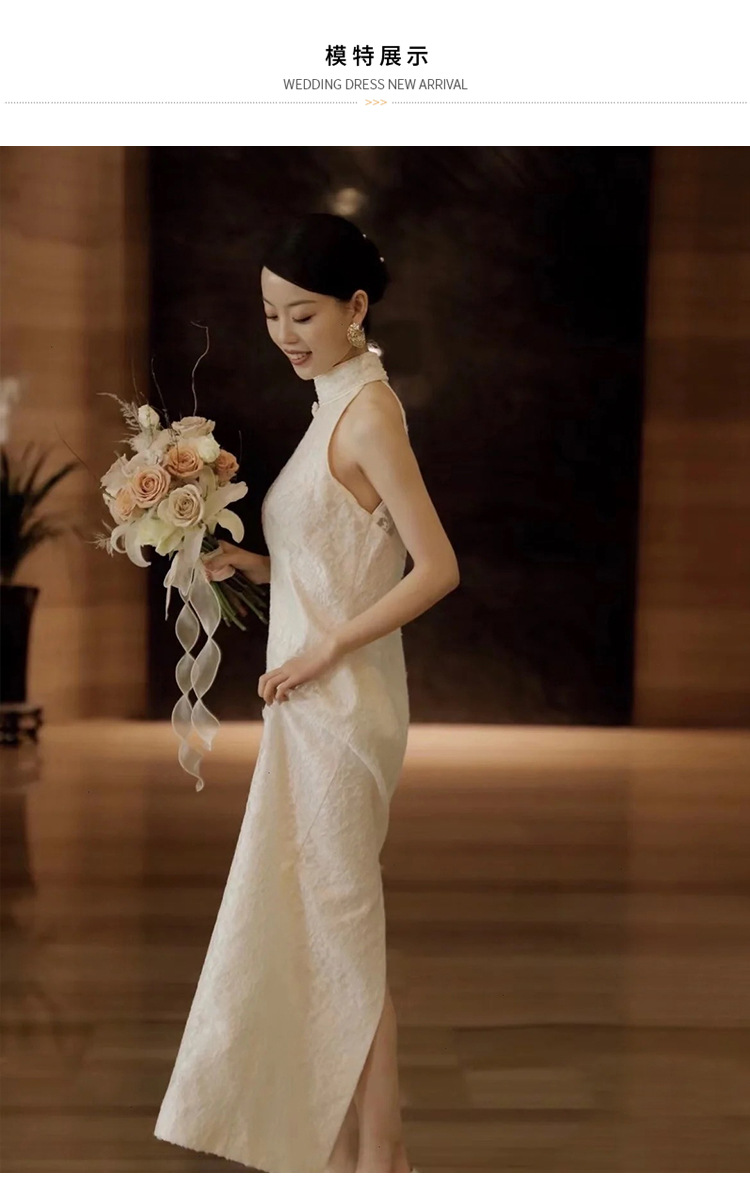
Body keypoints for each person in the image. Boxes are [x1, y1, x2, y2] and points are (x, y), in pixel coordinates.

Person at [153, 212, 460, 1173]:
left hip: (341, 710)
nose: (284, 333)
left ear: (356, 307)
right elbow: (345, 552)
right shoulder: (333, 404)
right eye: (270, 314)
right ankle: (357, 1151)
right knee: (327, 925)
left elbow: (436, 568)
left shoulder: (367, 413)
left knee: (341, 926)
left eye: (303, 313)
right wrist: (259, 564)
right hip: (312, 703)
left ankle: (383, 1156)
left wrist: (328, 643)